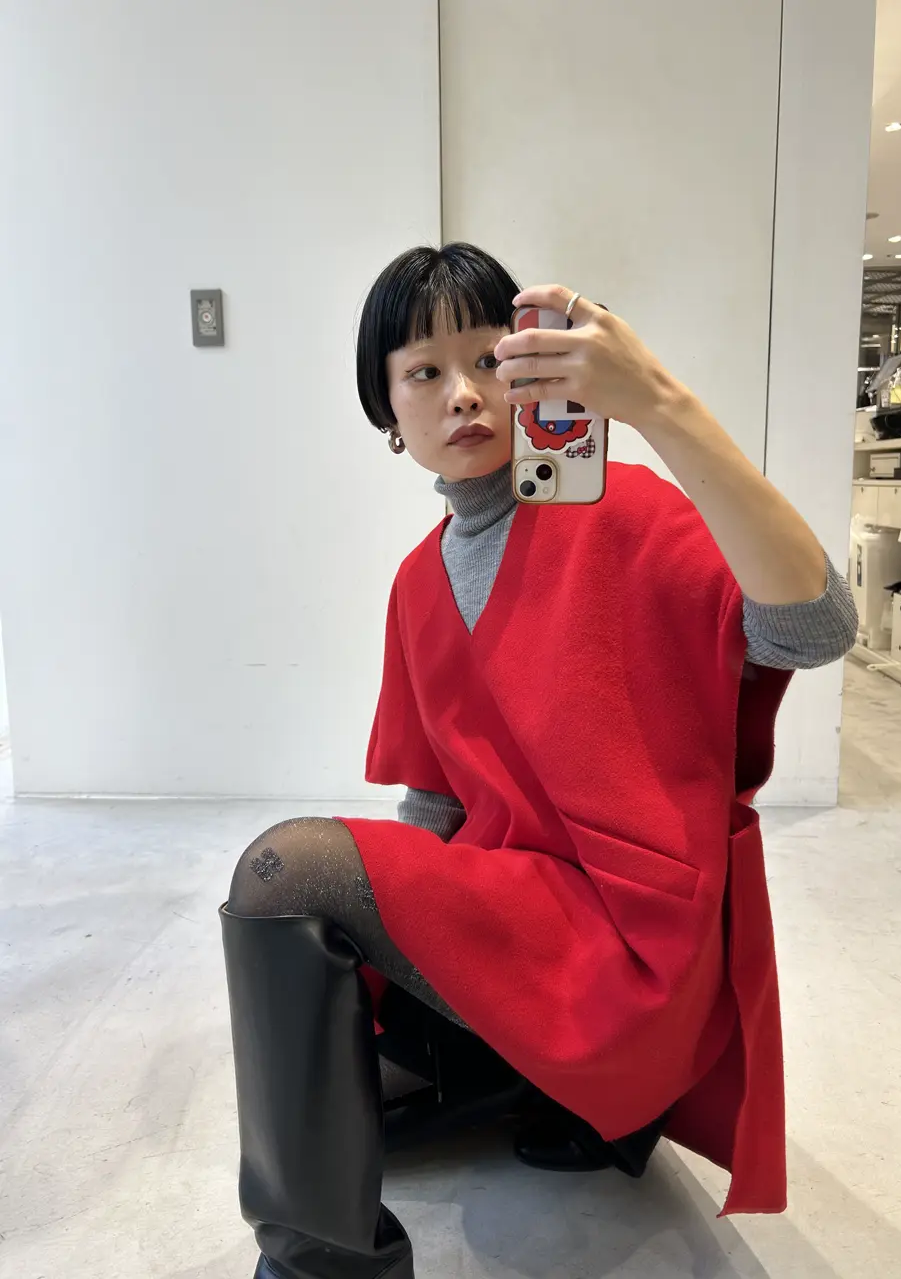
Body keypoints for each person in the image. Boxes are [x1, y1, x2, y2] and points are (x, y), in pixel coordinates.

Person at [220, 242, 858, 1279]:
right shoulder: (418, 582)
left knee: (281, 870)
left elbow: (818, 625)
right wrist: (395, 963)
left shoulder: (620, 510)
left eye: (489, 360)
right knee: (334, 1100)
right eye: (425, 371)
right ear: (389, 415)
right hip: (520, 922)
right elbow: (433, 803)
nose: (464, 393)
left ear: (536, 376)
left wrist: (656, 403)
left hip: (631, 937)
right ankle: (531, 1085)